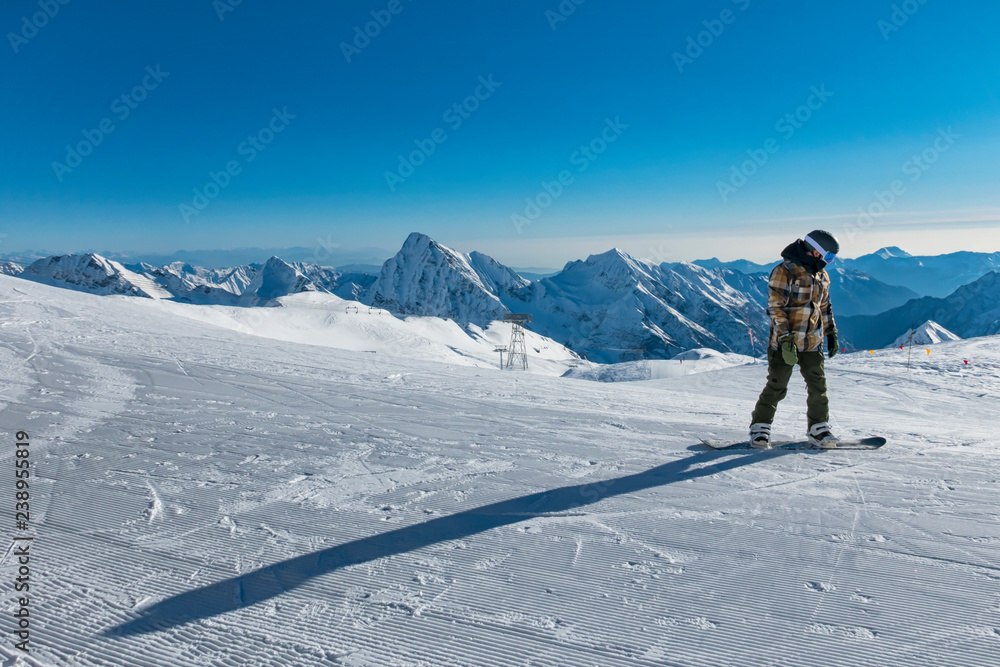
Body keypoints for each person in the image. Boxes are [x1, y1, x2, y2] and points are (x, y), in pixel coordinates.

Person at [749, 230, 840, 449]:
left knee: (818, 385)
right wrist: (786, 337)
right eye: (829, 256)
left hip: (812, 342)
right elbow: (775, 307)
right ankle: (760, 427)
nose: (829, 262)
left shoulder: (822, 275)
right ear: (815, 250)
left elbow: (825, 306)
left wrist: (830, 332)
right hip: (784, 343)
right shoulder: (785, 271)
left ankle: (819, 428)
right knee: (777, 385)